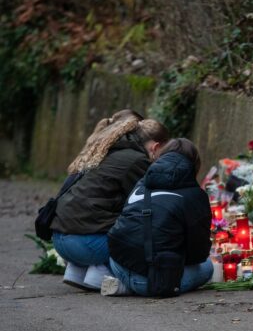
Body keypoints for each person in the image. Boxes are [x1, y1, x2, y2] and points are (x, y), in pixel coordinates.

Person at [51, 110, 170, 290]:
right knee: (143, 236)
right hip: (85, 244)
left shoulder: (106, 152)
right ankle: (101, 272)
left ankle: (78, 271)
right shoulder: (137, 161)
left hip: (60, 240)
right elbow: (147, 207)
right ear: (155, 147)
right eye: (164, 152)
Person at [105, 138, 213, 296]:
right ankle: (137, 287)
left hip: (118, 265)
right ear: (195, 164)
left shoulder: (142, 183)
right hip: (156, 281)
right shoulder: (196, 196)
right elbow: (198, 254)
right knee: (208, 267)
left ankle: (127, 284)